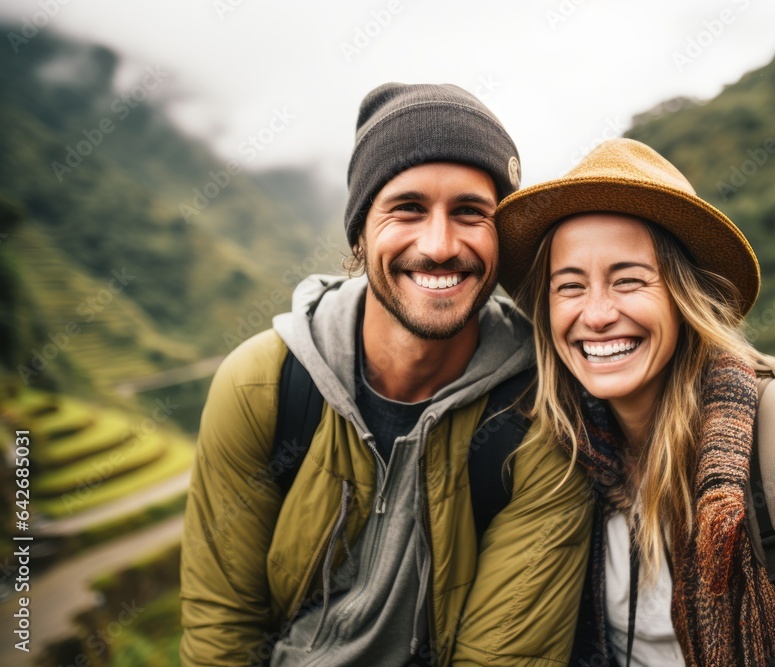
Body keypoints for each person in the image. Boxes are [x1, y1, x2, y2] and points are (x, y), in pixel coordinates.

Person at [179, 83, 592, 667]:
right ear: (359, 232)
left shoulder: (543, 415)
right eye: (408, 208)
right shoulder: (263, 384)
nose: (441, 245)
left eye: (472, 212)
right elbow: (222, 628)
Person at [495, 137, 775, 666]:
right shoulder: (566, 456)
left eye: (628, 280)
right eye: (569, 286)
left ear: (686, 297)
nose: (595, 315)